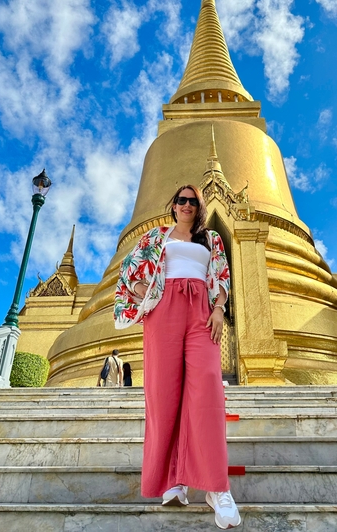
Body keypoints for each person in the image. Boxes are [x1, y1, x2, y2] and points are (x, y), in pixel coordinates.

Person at [114, 185, 240, 529]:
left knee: (207, 393)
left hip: (201, 310)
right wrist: (145, 294)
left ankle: (217, 487)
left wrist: (218, 308)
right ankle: (173, 478)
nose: (186, 205)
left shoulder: (210, 238)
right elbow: (129, 269)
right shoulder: (156, 236)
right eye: (181, 200)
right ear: (173, 205)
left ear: (199, 207)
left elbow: (222, 275)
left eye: (192, 201)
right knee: (164, 395)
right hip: (163, 310)